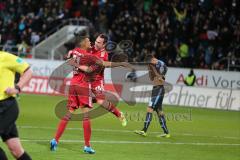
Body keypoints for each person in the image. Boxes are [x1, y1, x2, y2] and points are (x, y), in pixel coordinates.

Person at [90, 34, 130, 127]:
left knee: (101, 102)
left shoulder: (104, 54)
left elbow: (104, 64)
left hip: (97, 80)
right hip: (86, 80)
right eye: (96, 41)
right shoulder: (90, 48)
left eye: (99, 42)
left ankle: (119, 114)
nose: (96, 43)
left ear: (104, 45)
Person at [0, 51, 32, 160]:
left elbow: (28, 71)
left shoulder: (5, 57)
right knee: (16, 150)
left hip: (6, 107)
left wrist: (17, 88)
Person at [134, 54, 170, 138]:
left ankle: (144, 130)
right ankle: (166, 132)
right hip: (157, 89)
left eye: (150, 62)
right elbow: (163, 71)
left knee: (150, 108)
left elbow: (163, 72)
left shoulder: (159, 64)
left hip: (158, 89)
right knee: (159, 111)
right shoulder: (157, 64)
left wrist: (161, 77)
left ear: (153, 59)